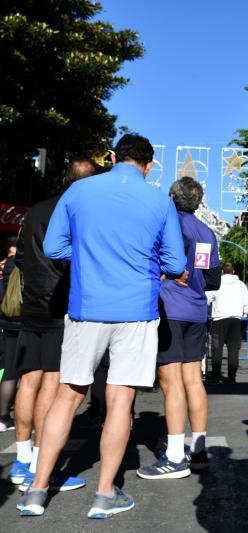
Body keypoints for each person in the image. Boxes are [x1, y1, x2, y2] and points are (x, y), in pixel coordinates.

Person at [18, 133, 187, 518]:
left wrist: (89, 257)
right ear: (149, 165)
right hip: (136, 310)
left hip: (85, 305)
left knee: (68, 395)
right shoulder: (159, 200)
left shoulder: (79, 193)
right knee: (120, 399)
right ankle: (104, 495)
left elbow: (54, 248)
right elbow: (176, 265)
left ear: (113, 157)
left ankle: (37, 489)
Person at [10, 157, 98, 491]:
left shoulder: (35, 210)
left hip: (31, 302)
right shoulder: (80, 212)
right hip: (61, 302)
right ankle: (37, 466)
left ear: (64, 178)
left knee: (28, 380)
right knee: (53, 382)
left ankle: (21, 459)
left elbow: (20, 257)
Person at [137, 176, 220, 480]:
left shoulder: (166, 225)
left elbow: (153, 264)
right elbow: (213, 280)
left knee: (170, 383)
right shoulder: (207, 232)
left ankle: (174, 456)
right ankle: (198, 450)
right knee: (193, 380)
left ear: (171, 196)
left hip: (170, 307)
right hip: (197, 311)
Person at [205, 261, 248, 384]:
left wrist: (210, 309)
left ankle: (215, 376)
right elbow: (247, 302)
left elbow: (207, 298)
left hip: (218, 321)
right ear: (234, 271)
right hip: (235, 320)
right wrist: (243, 314)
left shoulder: (216, 283)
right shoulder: (241, 285)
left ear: (222, 271)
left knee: (216, 348)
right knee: (233, 350)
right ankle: (231, 377)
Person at [1, 236, 20, 432]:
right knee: (32, 374)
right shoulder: (28, 263)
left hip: (8, 321)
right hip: (26, 321)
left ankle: (3, 416)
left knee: (10, 370)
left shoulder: (6, 265)